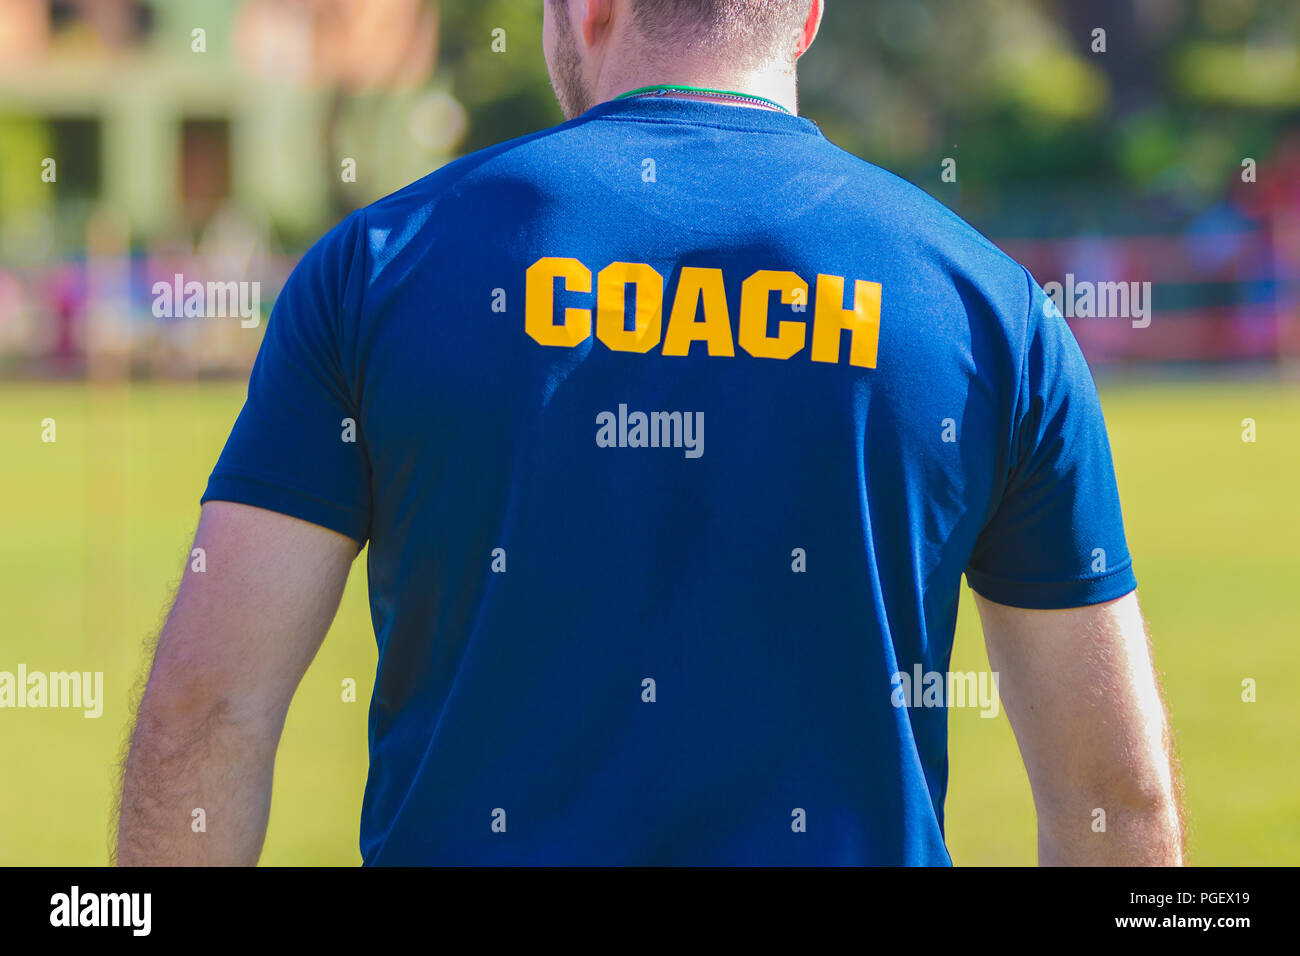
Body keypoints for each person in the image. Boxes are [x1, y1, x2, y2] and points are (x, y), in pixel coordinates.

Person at [116, 0, 1184, 865]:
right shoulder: (988, 308)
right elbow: (1113, 797)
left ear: (586, 9)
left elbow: (206, 710)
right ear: (806, 15)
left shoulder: (378, 268)